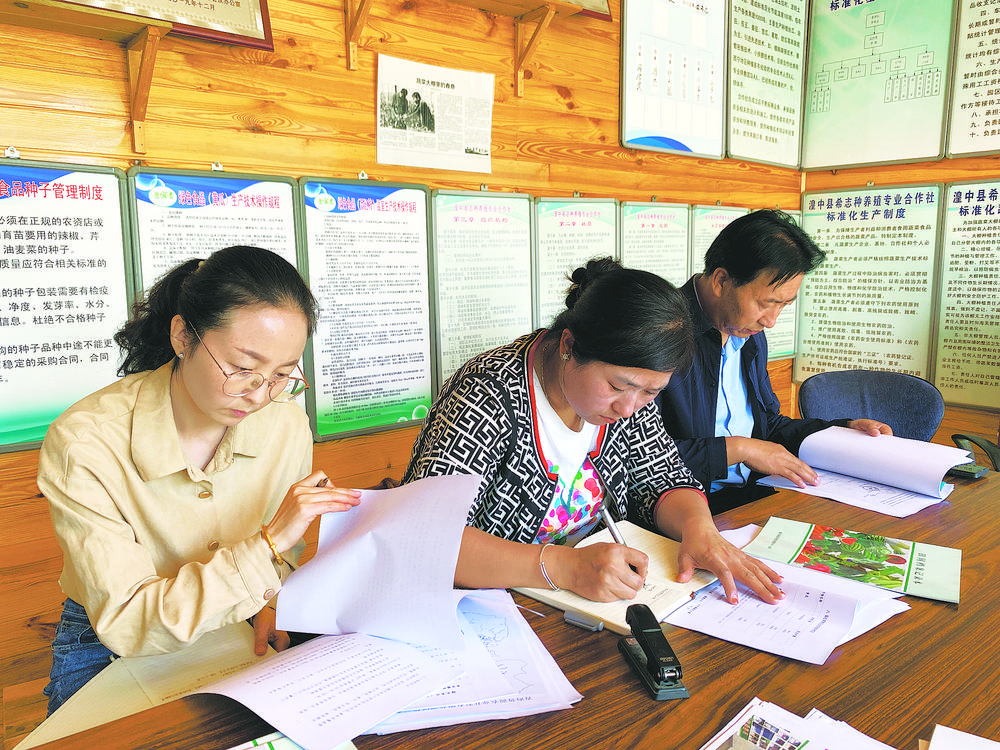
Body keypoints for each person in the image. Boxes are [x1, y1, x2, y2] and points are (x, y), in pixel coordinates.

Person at [37, 246, 361, 714]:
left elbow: (281, 555)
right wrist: (268, 547)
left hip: (243, 615)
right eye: (243, 368)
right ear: (183, 335)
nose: (258, 395)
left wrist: (269, 597)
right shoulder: (86, 442)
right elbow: (130, 622)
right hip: (113, 639)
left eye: (282, 375)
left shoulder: (284, 424)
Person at [404, 257, 784, 607]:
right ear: (569, 345)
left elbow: (663, 475)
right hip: (494, 607)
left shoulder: (632, 398)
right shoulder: (488, 395)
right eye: (617, 387)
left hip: (591, 606)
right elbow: (426, 536)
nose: (629, 407)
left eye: (651, 392)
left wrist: (698, 526)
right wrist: (567, 567)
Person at [657, 209, 892, 514]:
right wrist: (740, 449)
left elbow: (766, 425)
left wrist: (838, 432)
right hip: (683, 510)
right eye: (767, 304)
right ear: (721, 281)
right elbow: (636, 457)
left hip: (752, 495)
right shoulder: (660, 331)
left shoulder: (749, 334)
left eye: (784, 305)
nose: (771, 321)